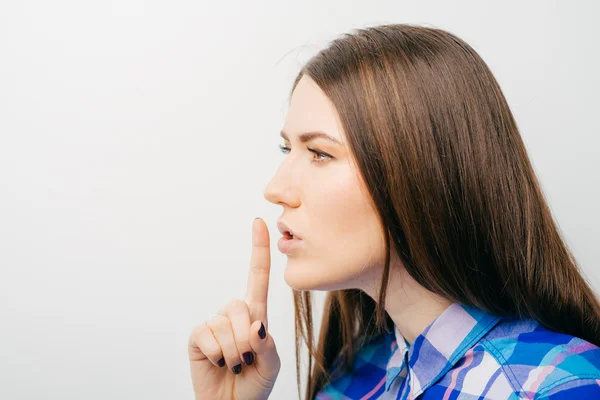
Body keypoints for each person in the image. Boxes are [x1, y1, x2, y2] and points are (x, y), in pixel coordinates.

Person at [188, 23, 600, 399]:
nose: (275, 188)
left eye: (318, 153)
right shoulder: (354, 377)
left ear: (420, 173)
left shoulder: (558, 387)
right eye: (287, 149)